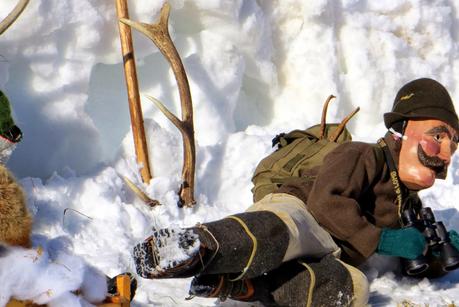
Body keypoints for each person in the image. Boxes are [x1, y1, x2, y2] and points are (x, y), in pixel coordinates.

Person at [132, 78, 459, 306]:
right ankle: (193, 246)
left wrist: (435, 254)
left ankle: (243, 287)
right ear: (402, 130)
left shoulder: (408, 204)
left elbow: (411, 266)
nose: (445, 153)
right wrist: (383, 239)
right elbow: (325, 202)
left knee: (353, 291)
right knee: (285, 229)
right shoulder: (363, 154)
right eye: (438, 136)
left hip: (328, 252)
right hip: (302, 211)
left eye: (453, 143)